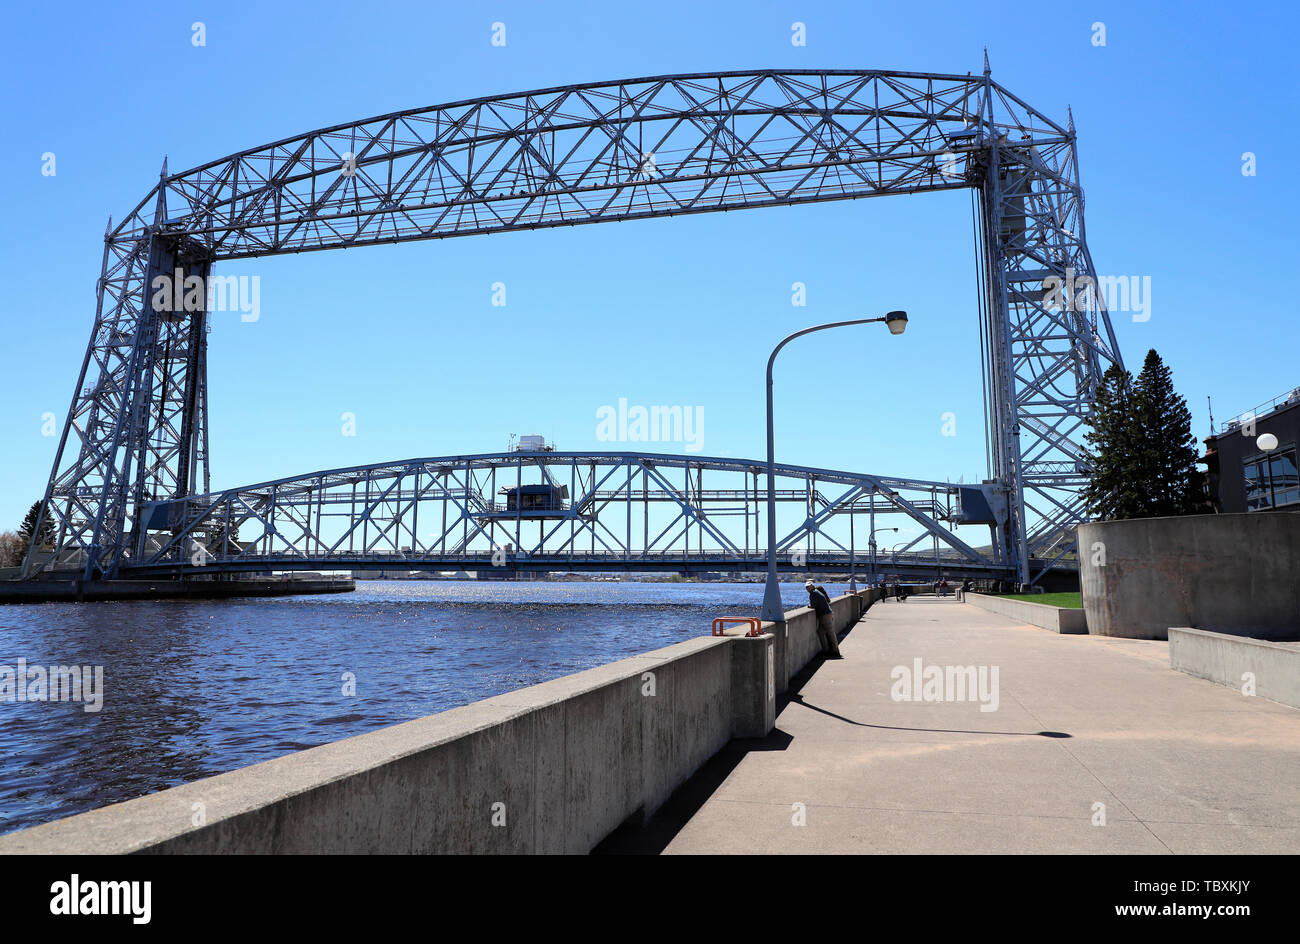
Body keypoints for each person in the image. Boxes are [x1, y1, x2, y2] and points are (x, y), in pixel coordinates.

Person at [805, 579, 841, 658]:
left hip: (825, 615)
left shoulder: (813, 594)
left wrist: (809, 606)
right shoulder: (817, 592)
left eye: (808, 587)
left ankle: (835, 651)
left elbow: (813, 606)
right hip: (827, 614)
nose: (807, 589)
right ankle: (826, 650)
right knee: (820, 632)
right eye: (806, 587)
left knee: (830, 633)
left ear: (812, 586)